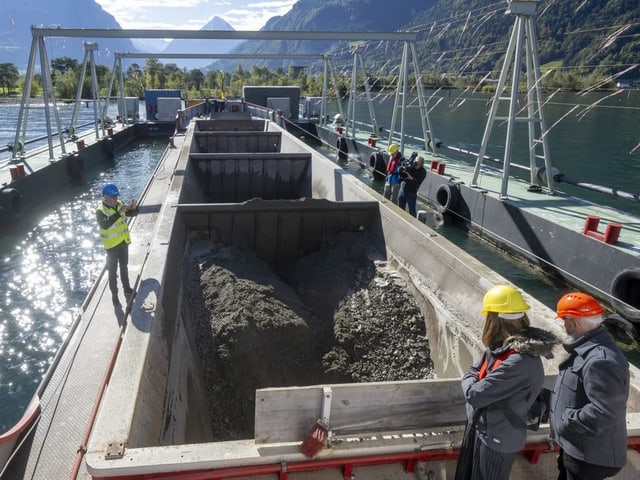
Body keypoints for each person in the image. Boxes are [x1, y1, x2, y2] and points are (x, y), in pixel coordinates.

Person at [455, 285, 559, 480]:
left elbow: (474, 395)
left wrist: (470, 381)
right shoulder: (503, 349)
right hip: (486, 429)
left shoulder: (519, 361)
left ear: (495, 320)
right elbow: (475, 371)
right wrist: (473, 379)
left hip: (498, 439)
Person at [550, 292, 629, 480]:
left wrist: (567, 420)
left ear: (574, 323)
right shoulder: (589, 350)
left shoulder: (600, 361)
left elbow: (605, 413)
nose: (563, 325)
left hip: (589, 458)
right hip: (580, 449)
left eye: (564, 320)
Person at [96, 184, 138, 307]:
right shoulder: (100, 211)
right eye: (112, 197)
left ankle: (127, 289)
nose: (115, 199)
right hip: (111, 247)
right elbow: (105, 225)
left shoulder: (120, 203)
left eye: (116, 196)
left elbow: (131, 214)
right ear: (105, 197)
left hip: (123, 242)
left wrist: (133, 209)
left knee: (124, 267)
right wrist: (120, 213)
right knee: (112, 273)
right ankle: (115, 297)